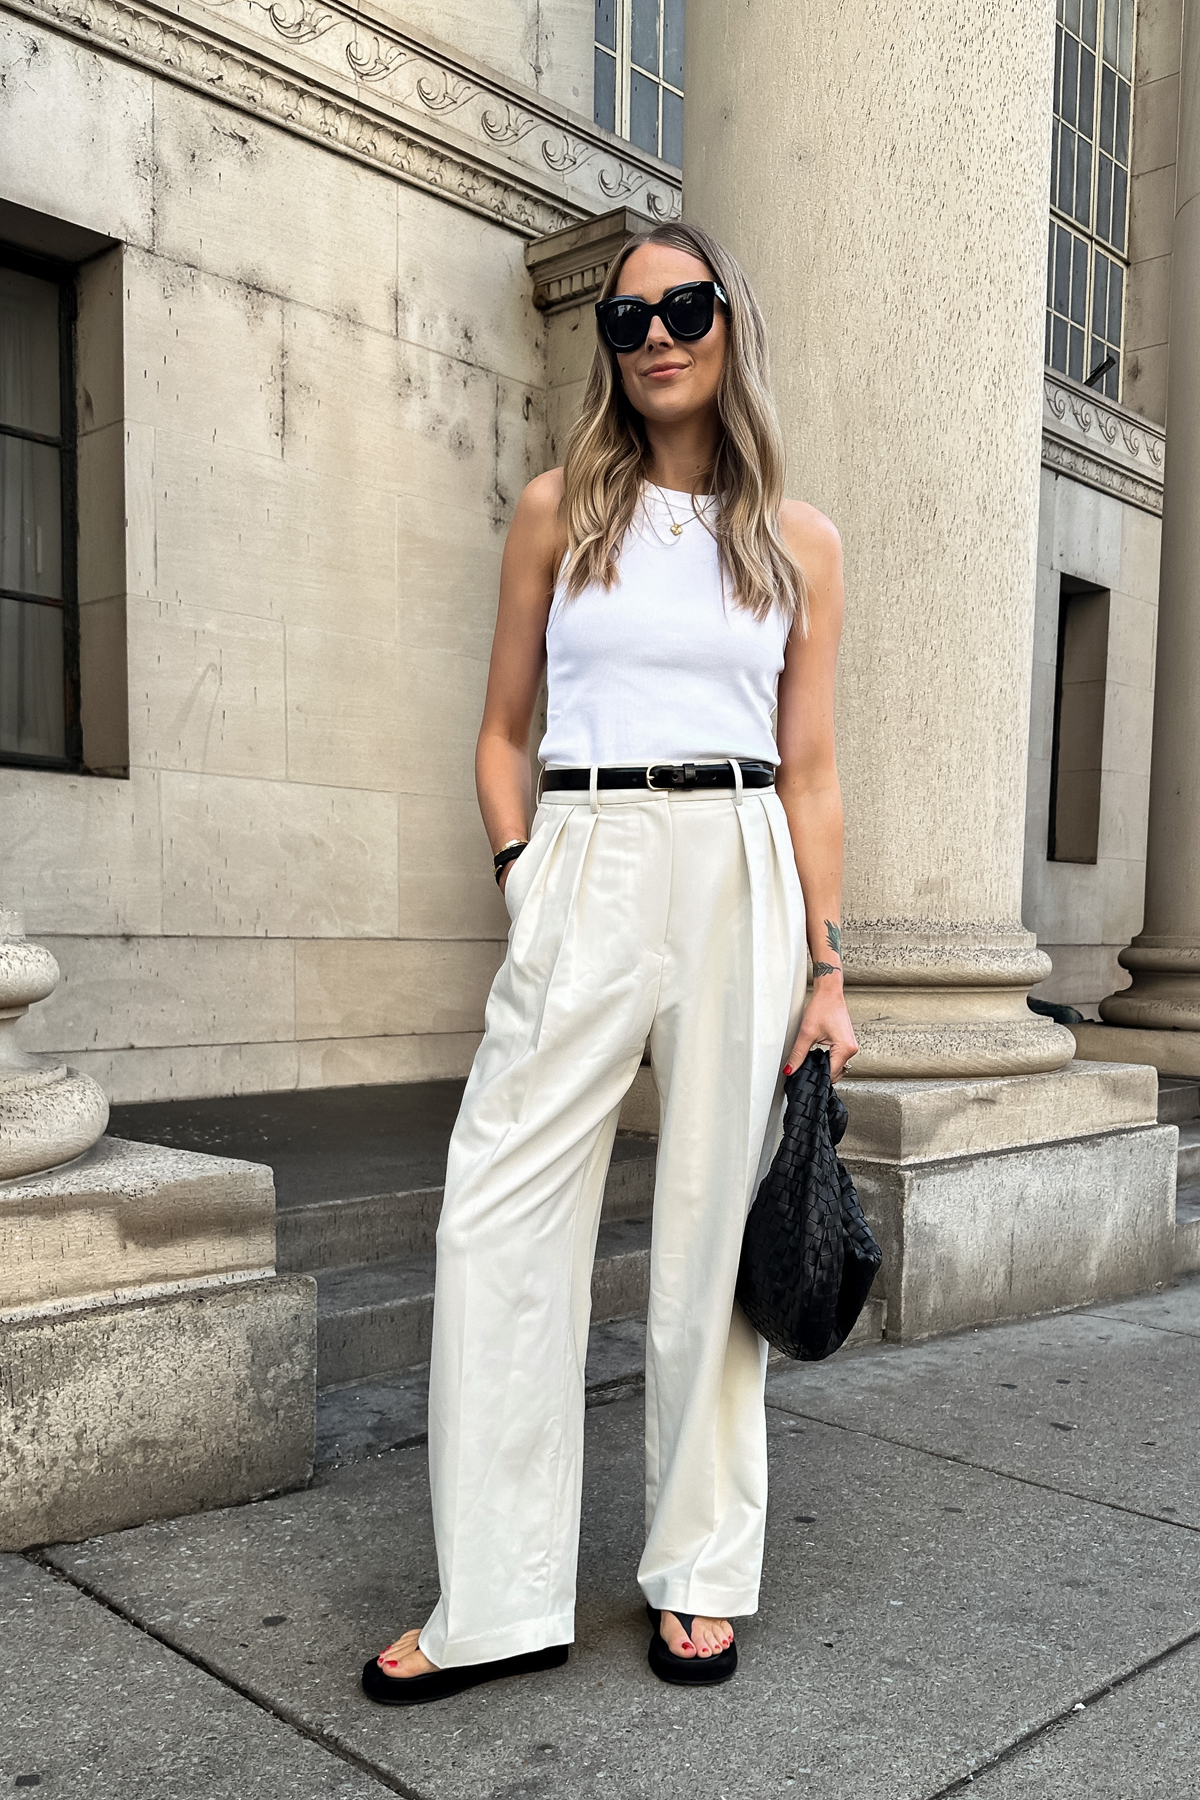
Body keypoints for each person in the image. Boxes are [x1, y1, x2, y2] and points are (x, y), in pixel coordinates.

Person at [362, 221, 858, 1705]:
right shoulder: (554, 514)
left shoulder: (800, 544)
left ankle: (699, 1570)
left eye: (685, 308)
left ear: (728, 326)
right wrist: (526, 876)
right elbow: (500, 732)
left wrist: (829, 971)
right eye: (629, 318)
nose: (655, 336)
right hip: (582, 861)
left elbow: (814, 770)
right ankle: (498, 1595)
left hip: (742, 865)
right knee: (497, 1216)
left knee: (714, 1231)